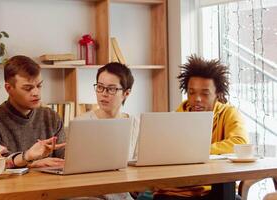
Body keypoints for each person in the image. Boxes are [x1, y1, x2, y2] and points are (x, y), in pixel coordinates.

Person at [153, 55, 248, 200]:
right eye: (192, 92)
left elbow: (240, 142)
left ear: (217, 94)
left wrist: (200, 152)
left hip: (214, 189)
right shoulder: (177, 116)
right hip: (175, 191)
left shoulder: (228, 113)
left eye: (205, 93)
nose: (197, 99)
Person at [0, 55, 65, 168]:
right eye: (28, 88)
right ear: (9, 89)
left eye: (39, 85)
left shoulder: (51, 117)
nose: (36, 92)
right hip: (9, 185)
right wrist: (31, 164)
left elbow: (65, 157)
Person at [77, 62, 137, 200]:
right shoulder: (81, 123)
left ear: (126, 93)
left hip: (124, 193)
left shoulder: (136, 125)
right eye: (100, 87)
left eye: (111, 89)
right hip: (89, 194)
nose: (103, 94)